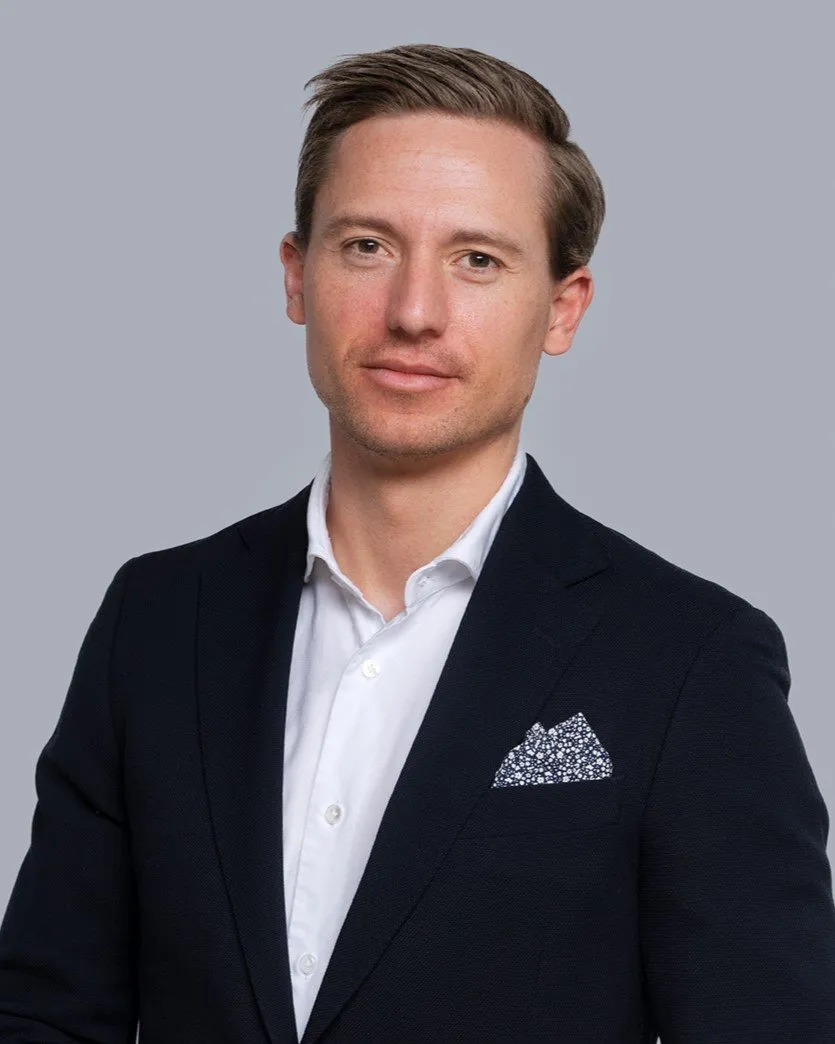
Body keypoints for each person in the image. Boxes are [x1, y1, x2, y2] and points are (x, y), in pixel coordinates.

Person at [1, 42, 833, 1044]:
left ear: (561, 309)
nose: (412, 313)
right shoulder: (158, 618)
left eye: (476, 259)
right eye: (365, 247)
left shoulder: (690, 659)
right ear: (295, 275)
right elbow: (46, 1014)